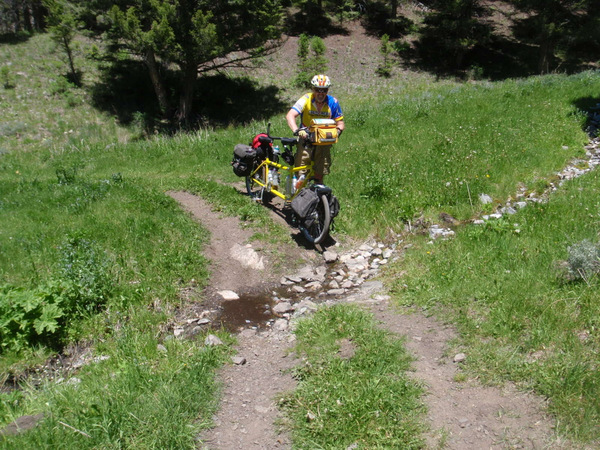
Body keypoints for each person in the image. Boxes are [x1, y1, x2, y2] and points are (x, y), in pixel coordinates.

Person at [286, 74, 345, 184]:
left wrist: (335, 133)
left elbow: (340, 123)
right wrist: (297, 130)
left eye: (324, 90)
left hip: (323, 142)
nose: (321, 93)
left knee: (320, 173)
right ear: (313, 89)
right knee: (301, 172)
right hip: (306, 139)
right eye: (318, 90)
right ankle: (298, 195)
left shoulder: (333, 103)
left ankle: (318, 197)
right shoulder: (306, 99)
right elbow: (290, 115)